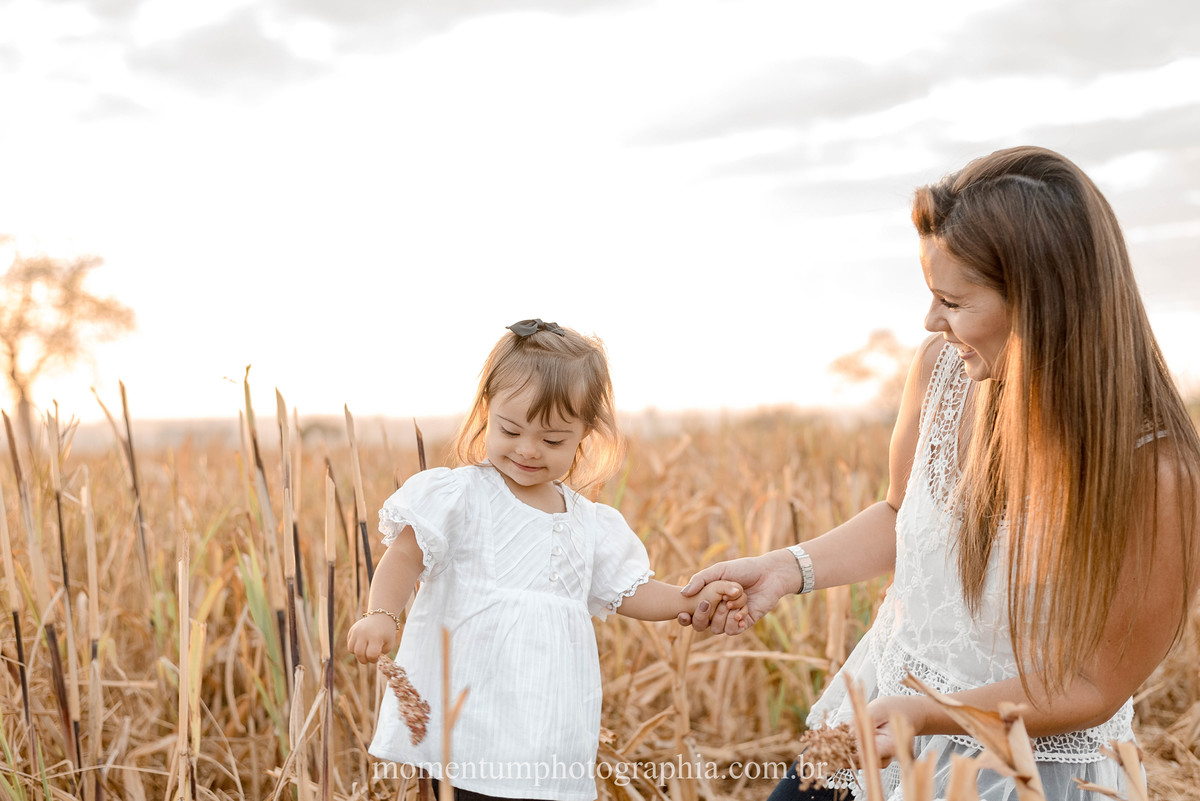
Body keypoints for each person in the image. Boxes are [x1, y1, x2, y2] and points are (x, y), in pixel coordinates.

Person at [678, 146, 1200, 800]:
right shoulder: (943, 371)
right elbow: (903, 514)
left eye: (952, 301)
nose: (930, 322)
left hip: (1017, 771)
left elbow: (1094, 685)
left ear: (1044, 302)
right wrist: (787, 567)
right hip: (881, 720)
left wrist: (929, 713)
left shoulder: (1158, 473)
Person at [347, 318, 747, 801]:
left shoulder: (590, 522)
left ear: (585, 434)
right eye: (510, 430)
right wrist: (381, 613)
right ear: (486, 412)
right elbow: (404, 556)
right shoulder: (460, 495)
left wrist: (693, 598)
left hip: (548, 722)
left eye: (553, 440)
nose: (528, 450)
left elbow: (632, 592)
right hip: (469, 713)